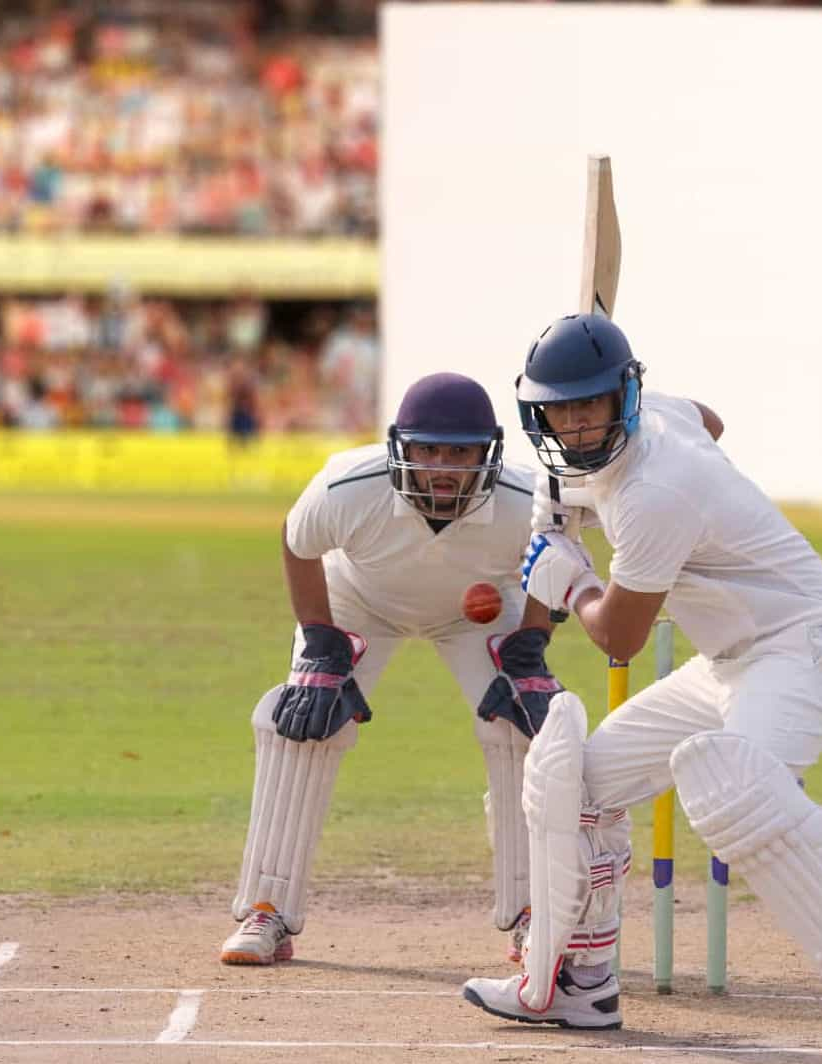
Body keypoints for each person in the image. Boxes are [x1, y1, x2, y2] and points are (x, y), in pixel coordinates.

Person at [458, 315, 822, 1064]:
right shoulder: (654, 421)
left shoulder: (655, 494)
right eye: (562, 409)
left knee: (735, 792)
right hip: (727, 662)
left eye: (591, 404)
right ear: (539, 413)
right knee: (578, 783)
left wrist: (573, 577)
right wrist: (580, 515)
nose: (578, 423)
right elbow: (708, 420)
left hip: (806, 648)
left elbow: (618, 636)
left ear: (624, 394)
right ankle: (579, 983)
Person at [221, 372, 565, 965]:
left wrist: (531, 645)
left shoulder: (527, 498)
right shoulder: (347, 486)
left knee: (525, 728)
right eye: (428, 448)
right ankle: (267, 911)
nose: (442, 466)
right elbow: (296, 542)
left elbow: (557, 558)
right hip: (359, 602)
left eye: (459, 452)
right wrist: (322, 643)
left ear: (488, 451)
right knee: (303, 726)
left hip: (476, 607)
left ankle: (535, 912)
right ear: (400, 445)